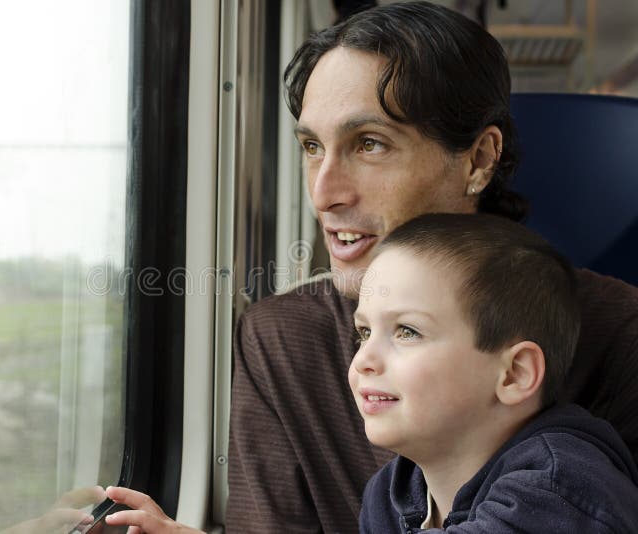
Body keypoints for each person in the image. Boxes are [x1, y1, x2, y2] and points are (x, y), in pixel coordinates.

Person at [101, 2, 638, 532]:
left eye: (370, 144)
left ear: (478, 159)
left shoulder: (622, 336)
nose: (323, 192)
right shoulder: (280, 338)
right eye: (312, 146)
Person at [351, 213, 638, 532]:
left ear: (514, 374)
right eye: (363, 332)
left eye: (407, 331)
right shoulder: (389, 492)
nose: (364, 359)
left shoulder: (557, 490)